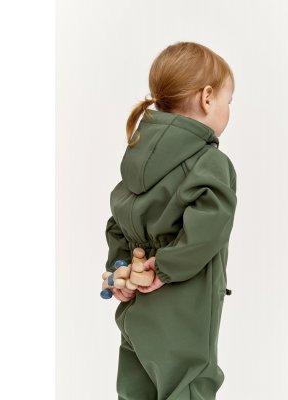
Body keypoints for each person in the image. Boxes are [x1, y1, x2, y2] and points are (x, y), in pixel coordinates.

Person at [104, 41, 237, 400]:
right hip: (183, 302)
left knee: (137, 386)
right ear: (207, 98)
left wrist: (120, 268)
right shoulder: (208, 162)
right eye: (228, 101)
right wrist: (164, 268)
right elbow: (209, 226)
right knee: (187, 384)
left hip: (135, 301)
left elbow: (119, 218)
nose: (229, 110)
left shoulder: (137, 154)